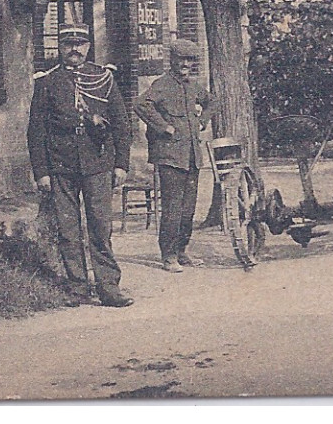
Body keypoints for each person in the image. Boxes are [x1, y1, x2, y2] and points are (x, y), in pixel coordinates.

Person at [27, 24, 134, 307]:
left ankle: (108, 287)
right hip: (61, 165)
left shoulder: (103, 78)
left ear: (88, 46)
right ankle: (77, 286)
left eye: (80, 43)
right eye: (68, 44)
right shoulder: (47, 82)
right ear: (60, 47)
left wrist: (121, 164)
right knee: (68, 230)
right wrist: (42, 172)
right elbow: (35, 131)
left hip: (98, 162)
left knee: (101, 227)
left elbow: (122, 125)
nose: (75, 49)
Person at [135, 39, 212, 272]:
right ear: (173, 60)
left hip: (191, 156)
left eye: (190, 60)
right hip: (169, 156)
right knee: (172, 207)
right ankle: (168, 256)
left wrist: (202, 120)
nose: (185, 64)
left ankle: (181, 250)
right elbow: (140, 104)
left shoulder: (192, 86)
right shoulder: (163, 84)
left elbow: (212, 102)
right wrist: (163, 126)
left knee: (188, 207)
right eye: (181, 59)